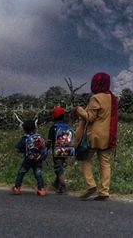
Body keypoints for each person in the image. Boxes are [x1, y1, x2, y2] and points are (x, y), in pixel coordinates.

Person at [73, 71, 119, 201]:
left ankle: (90, 185)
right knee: (105, 163)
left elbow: (90, 118)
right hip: (108, 135)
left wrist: (78, 110)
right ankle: (104, 191)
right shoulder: (112, 98)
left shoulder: (96, 98)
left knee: (85, 159)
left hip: (94, 136)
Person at [12, 119, 47, 196]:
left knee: (22, 172)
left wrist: (21, 150)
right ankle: (41, 189)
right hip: (39, 158)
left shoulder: (25, 138)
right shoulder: (39, 136)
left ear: (24, 129)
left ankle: (17, 187)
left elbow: (18, 148)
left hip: (28, 159)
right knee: (38, 173)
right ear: (35, 128)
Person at [47, 105, 70, 194]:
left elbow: (49, 141)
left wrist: (46, 148)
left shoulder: (54, 127)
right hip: (67, 150)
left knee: (58, 168)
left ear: (53, 117)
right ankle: (56, 184)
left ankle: (62, 186)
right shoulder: (67, 126)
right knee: (60, 166)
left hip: (57, 150)